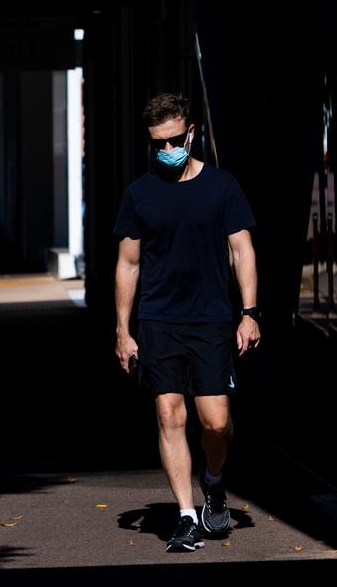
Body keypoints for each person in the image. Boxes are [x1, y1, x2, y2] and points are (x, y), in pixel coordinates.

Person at [112, 93, 261, 553]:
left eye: (175, 140)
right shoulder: (139, 194)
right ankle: (185, 514)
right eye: (159, 144)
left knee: (215, 422)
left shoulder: (222, 187)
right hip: (159, 319)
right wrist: (123, 329)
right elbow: (128, 264)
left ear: (191, 133)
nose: (167, 149)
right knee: (168, 414)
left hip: (212, 318)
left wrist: (250, 312)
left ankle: (213, 482)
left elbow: (242, 250)